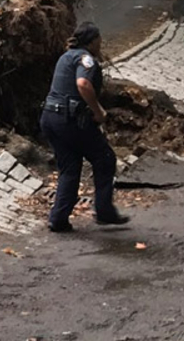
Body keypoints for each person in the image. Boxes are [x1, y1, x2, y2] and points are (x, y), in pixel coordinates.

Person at [40, 22, 129, 232]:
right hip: (69, 120)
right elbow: (83, 84)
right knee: (105, 158)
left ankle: (58, 219)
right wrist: (98, 111)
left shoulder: (65, 56)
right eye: (99, 40)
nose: (101, 43)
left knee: (70, 168)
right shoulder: (85, 58)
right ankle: (104, 211)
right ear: (92, 41)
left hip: (49, 117)